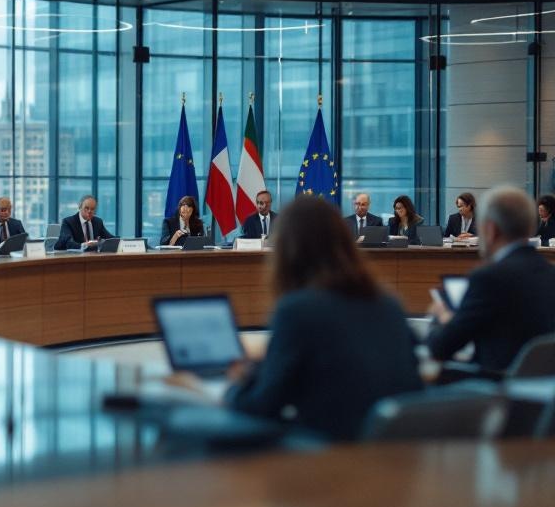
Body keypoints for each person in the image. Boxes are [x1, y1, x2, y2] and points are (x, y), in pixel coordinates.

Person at [226, 196, 423, 441]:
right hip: (395, 457)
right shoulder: (388, 304)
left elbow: (261, 406)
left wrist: (236, 384)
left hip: (329, 460)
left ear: (288, 251)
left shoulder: (297, 310)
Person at [428, 187, 555, 373]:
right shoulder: (550, 273)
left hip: (496, 390)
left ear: (490, 229)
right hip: (544, 390)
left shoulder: (488, 277)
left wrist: (442, 318)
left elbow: (441, 348)